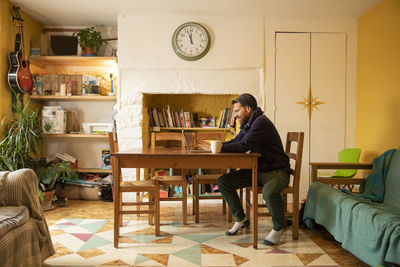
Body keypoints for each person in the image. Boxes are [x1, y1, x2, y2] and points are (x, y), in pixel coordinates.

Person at [217, 93, 290, 246]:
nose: (235, 115)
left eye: (237, 111)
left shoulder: (260, 123)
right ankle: (241, 219)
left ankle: (278, 227)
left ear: (248, 109)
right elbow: (237, 141)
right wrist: (219, 145)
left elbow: (243, 146)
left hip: (277, 172)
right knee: (224, 182)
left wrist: (220, 148)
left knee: (268, 192)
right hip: (259, 170)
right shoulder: (249, 123)